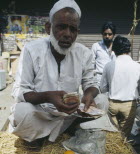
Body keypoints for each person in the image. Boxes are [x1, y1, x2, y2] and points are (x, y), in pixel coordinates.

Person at [9, 0, 108, 143]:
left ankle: (67, 128)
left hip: (72, 113)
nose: (67, 34)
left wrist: (88, 94)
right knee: (21, 111)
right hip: (41, 114)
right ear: (48, 28)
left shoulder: (84, 53)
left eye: (72, 29)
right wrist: (48, 96)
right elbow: (20, 91)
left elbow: (91, 83)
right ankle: (48, 134)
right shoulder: (31, 50)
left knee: (102, 100)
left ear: (77, 32)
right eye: (61, 27)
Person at [100, 35, 140, 138]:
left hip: (112, 105)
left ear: (114, 50)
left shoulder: (109, 65)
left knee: (113, 136)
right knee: (124, 137)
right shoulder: (137, 66)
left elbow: (102, 88)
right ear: (129, 49)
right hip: (129, 105)